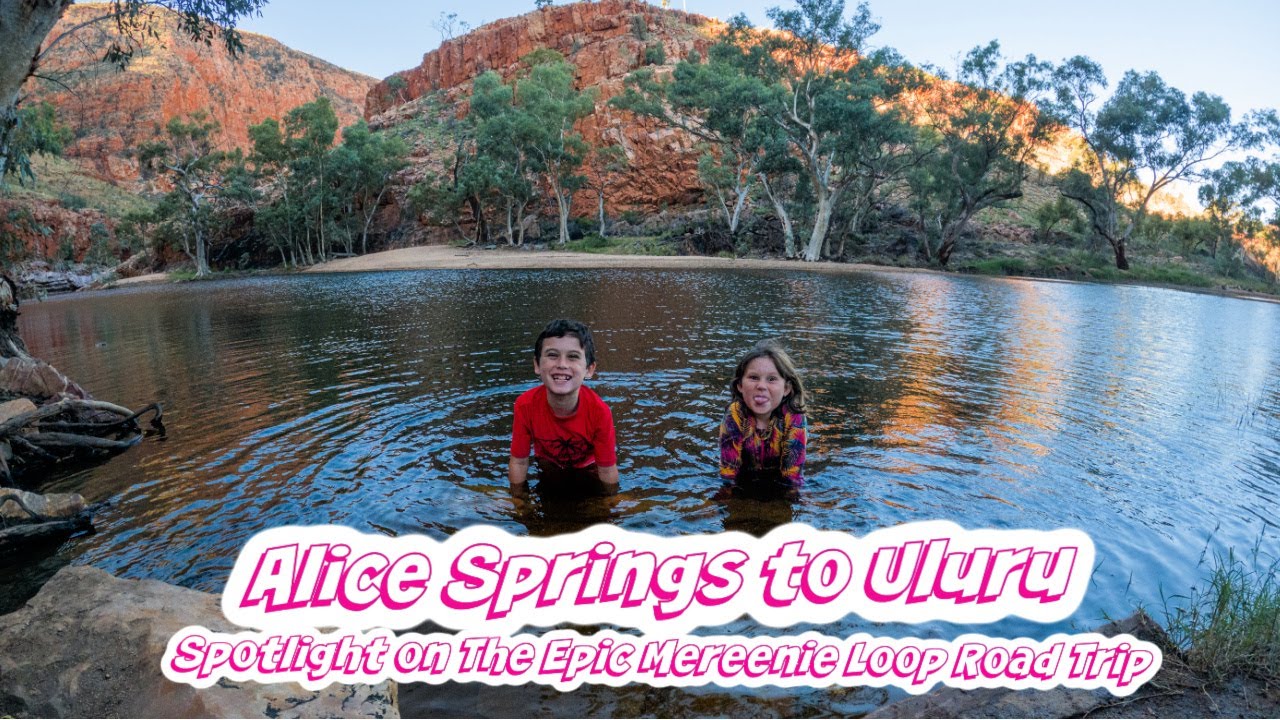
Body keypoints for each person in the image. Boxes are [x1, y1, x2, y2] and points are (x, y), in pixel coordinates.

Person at [509, 319, 619, 495]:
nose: (562, 364)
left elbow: (606, 469)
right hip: (548, 468)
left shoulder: (599, 411)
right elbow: (519, 462)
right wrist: (517, 500)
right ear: (537, 364)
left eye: (573, 356)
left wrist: (611, 504)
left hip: (589, 471)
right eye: (552, 355)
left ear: (589, 369)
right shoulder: (525, 405)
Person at [719, 341, 807, 490]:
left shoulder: (793, 417)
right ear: (740, 385)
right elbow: (728, 473)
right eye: (754, 377)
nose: (761, 386)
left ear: (786, 388)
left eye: (771, 379)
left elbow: (792, 476)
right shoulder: (734, 414)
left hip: (780, 479)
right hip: (744, 478)